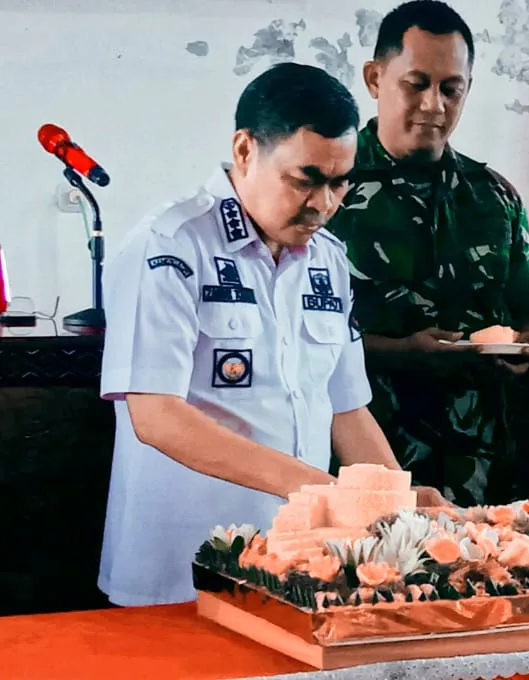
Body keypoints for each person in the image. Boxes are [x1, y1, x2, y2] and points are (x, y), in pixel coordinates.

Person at [97, 63, 445, 607]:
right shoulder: (169, 248)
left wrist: (397, 506)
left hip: (294, 572)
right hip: (178, 571)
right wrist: (327, 492)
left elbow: (347, 410)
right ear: (244, 151)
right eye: (305, 179)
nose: (324, 204)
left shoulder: (328, 260)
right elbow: (156, 413)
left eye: (339, 183)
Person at [326, 0, 529, 507]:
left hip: (479, 466)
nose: (434, 105)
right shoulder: (326, 190)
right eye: (416, 83)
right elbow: (298, 345)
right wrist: (402, 353)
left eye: (451, 89)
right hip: (362, 469)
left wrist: (520, 349)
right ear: (374, 78)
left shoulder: (494, 197)